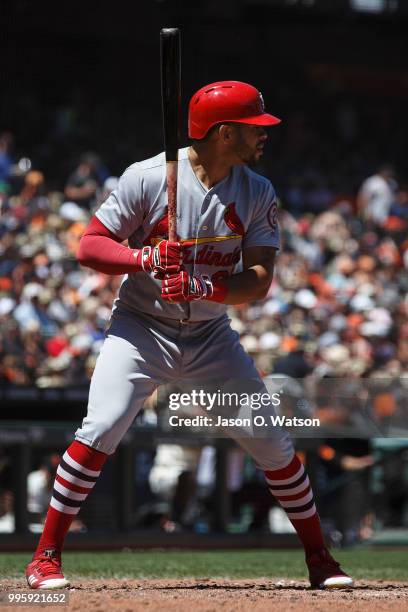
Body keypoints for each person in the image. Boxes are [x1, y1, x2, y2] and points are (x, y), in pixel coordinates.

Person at [25, 81, 353, 590]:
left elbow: (260, 281)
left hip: (210, 334)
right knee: (102, 427)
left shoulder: (257, 190)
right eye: (254, 128)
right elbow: (89, 246)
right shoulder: (148, 177)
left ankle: (320, 558)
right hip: (142, 327)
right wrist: (145, 257)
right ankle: (45, 557)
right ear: (224, 133)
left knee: (272, 442)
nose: (264, 136)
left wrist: (207, 285)